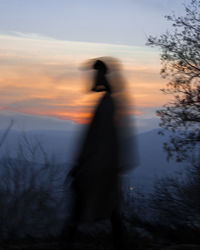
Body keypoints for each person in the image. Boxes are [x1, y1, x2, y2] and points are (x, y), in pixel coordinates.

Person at [61, 57, 138, 250]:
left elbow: (99, 139)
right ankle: (119, 242)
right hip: (103, 165)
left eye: (96, 76)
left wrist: (84, 165)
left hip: (98, 166)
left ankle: (67, 241)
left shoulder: (107, 104)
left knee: (86, 204)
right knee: (110, 207)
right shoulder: (109, 103)